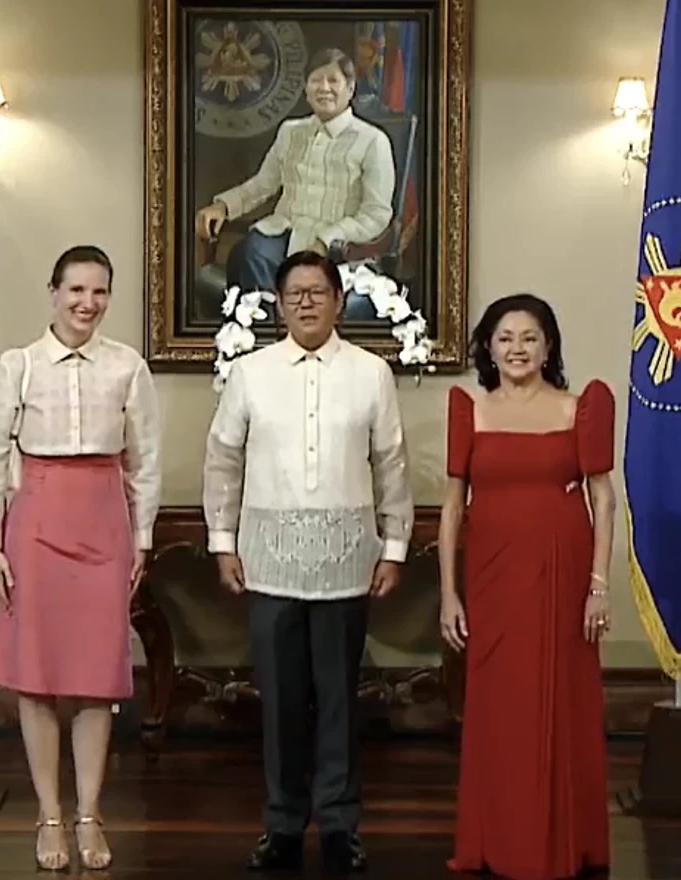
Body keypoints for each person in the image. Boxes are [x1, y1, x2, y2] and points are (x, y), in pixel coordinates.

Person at [202, 250, 413, 874]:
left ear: (337, 300)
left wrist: (393, 547)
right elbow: (222, 460)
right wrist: (221, 541)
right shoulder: (251, 373)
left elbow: (392, 465)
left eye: (317, 292)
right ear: (279, 302)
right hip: (269, 562)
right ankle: (283, 823)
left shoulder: (372, 373)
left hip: (349, 563)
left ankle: (342, 825)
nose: (306, 303)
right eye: (294, 293)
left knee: (340, 701)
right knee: (282, 701)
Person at [0, 245, 161, 872]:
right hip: (37, 526)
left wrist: (143, 539)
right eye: (76, 290)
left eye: (99, 291)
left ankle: (89, 814)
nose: (88, 303)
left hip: (104, 523)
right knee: (40, 679)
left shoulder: (127, 368)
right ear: (54, 292)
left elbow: (144, 462)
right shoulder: (19, 366)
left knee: (95, 680)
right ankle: (49, 814)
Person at [439, 293, 614, 880]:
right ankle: (498, 840)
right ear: (488, 347)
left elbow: (604, 498)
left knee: (562, 700)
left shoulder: (580, 407)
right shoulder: (469, 407)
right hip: (491, 576)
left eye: (530, 337)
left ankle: (566, 841)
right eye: (505, 337)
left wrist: (599, 584)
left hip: (564, 576)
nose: (517, 348)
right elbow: (452, 506)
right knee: (500, 708)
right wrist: (448, 593)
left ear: (548, 347)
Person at [195, 48, 395, 294]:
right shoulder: (290, 131)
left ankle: (290, 328)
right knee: (249, 253)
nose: (324, 88)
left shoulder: (373, 140)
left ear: (350, 88)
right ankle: (262, 329)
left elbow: (376, 214)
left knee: (299, 275)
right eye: (315, 80)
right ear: (306, 89)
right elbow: (262, 185)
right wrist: (223, 206)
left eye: (333, 80)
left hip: (339, 247)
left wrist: (328, 238)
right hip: (284, 232)